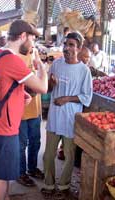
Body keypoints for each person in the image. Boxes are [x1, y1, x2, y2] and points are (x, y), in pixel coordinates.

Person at [0, 19, 48, 200]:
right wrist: (41, 67)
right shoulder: (13, 60)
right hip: (5, 129)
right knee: (2, 178)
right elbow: (42, 88)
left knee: (3, 173)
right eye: (32, 39)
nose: (33, 44)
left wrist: (19, 95)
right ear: (22, 36)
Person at [41, 32, 93, 199]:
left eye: (71, 45)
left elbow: (87, 96)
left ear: (78, 48)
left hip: (71, 117)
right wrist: (51, 83)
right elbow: (47, 90)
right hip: (55, 116)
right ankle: (49, 184)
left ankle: (63, 186)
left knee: (69, 155)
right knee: (48, 154)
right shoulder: (56, 64)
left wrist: (67, 99)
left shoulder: (84, 70)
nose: (67, 48)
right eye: (65, 44)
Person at [17, 46, 44, 187]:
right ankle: (20, 173)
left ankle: (32, 168)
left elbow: (40, 75)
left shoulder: (35, 52)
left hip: (35, 108)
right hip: (20, 111)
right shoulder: (15, 55)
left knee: (35, 141)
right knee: (21, 144)